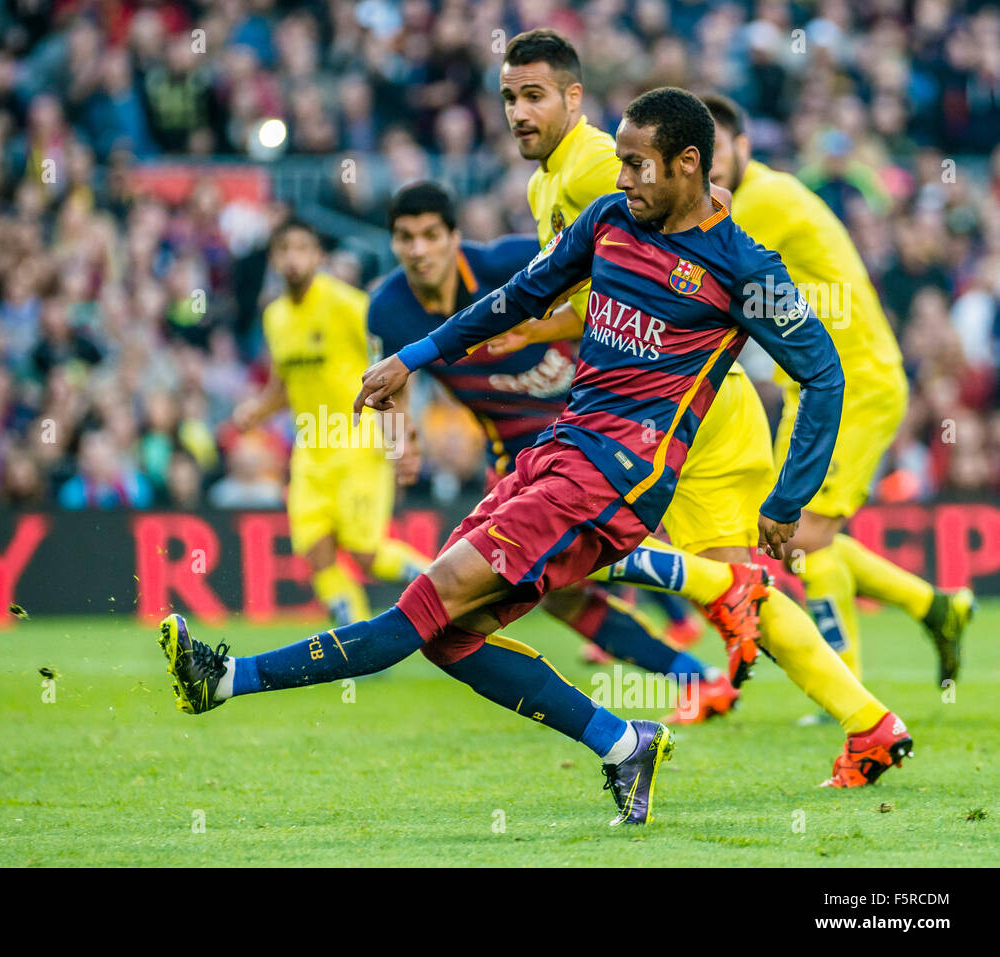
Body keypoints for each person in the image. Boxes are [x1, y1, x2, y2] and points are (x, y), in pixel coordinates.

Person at [159, 88, 900, 825]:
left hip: (617, 478)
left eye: (638, 165)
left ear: (687, 164)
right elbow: (519, 296)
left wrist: (786, 499)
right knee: (450, 638)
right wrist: (415, 357)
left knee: (420, 608)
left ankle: (223, 677)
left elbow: (824, 372)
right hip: (555, 453)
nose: (623, 178)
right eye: (620, 161)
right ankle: (622, 741)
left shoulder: (745, 268)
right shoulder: (610, 219)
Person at [484, 31, 913, 785]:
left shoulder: (594, 171)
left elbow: (672, 271)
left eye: (533, 95)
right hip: (678, 406)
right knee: (740, 583)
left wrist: (529, 325)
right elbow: (612, 290)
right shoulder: (548, 183)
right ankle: (871, 723)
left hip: (672, 409)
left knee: (579, 542)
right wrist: (542, 324)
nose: (519, 111)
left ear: (574, 99)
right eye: (510, 97)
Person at [374, 180, 736, 723]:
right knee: (563, 595)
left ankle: (721, 590)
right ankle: (695, 674)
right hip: (517, 453)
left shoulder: (508, 262)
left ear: (455, 237)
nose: (419, 249)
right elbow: (392, 382)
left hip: (586, 433)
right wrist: (402, 439)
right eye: (406, 238)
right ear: (394, 244)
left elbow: (603, 287)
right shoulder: (388, 309)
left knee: (571, 566)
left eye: (431, 235)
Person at [704, 93, 974, 688]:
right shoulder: (742, 201)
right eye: (698, 155)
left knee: (796, 536)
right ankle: (935, 607)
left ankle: (846, 687)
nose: (710, 165)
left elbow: (705, 275)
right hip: (809, 387)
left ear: (744, 146)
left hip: (851, 383)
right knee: (787, 537)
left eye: (718, 149)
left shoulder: (763, 200)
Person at [232, 219, 430, 626]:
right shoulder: (275, 316)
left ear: (318, 257)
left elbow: (395, 363)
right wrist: (257, 410)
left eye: (302, 248)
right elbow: (283, 384)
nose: (292, 258)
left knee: (365, 555)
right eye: (284, 250)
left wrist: (402, 434)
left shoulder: (349, 304)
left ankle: (446, 582)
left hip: (358, 443)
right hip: (311, 450)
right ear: (273, 258)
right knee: (316, 553)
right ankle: (357, 644)